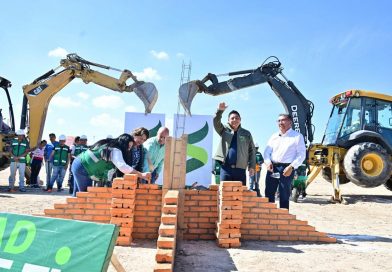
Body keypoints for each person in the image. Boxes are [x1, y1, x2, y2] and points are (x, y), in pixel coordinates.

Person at [72, 133, 151, 196]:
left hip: (80, 163)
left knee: (76, 195)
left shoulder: (111, 145)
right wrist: (141, 175)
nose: (128, 149)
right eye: (128, 146)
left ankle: (72, 214)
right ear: (124, 143)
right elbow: (123, 167)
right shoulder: (115, 150)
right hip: (82, 167)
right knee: (84, 196)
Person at [263, 113, 306, 210]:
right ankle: (269, 217)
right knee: (269, 193)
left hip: (286, 169)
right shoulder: (274, 136)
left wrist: (292, 167)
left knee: (284, 194)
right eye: (278, 121)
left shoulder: (297, 136)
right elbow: (267, 152)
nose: (280, 122)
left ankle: (283, 219)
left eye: (283, 120)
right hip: (273, 169)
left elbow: (301, 154)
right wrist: (268, 162)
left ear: (290, 122)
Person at [213, 102, 256, 186]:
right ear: (228, 120)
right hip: (226, 168)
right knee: (224, 193)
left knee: (239, 196)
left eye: (237, 118)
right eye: (232, 118)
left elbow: (252, 150)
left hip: (240, 170)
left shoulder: (246, 133)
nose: (234, 120)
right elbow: (216, 123)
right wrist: (219, 111)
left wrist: (252, 166)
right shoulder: (224, 130)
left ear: (240, 120)